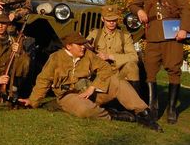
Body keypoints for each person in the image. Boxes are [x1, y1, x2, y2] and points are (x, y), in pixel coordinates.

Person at [20, 32, 160, 131]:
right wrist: (33, 101)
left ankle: (144, 114)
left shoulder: (88, 55)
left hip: (89, 92)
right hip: (69, 95)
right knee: (84, 110)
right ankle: (112, 115)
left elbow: (105, 68)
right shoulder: (56, 58)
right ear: (69, 46)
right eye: (79, 44)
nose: (83, 47)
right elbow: (43, 80)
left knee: (118, 82)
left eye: (83, 44)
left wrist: (93, 87)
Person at [128, 0, 190, 124]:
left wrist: (185, 29)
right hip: (153, 35)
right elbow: (133, 5)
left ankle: (171, 108)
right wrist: (140, 10)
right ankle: (153, 107)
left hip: (173, 33)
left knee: (173, 69)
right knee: (150, 69)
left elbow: (185, 9)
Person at [84, 5, 141, 93]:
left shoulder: (125, 36)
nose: (112, 23)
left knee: (132, 66)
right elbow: (84, 52)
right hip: (99, 72)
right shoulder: (94, 34)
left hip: (118, 72)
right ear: (103, 19)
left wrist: (110, 56)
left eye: (114, 20)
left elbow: (134, 57)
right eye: (109, 20)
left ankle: (133, 98)